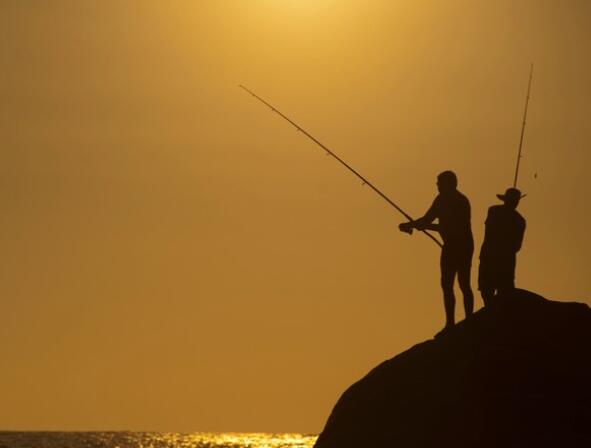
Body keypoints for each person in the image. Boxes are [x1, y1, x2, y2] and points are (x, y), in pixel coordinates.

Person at [399, 171, 474, 332]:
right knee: (447, 284)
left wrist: (416, 225)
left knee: (463, 283)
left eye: (439, 183)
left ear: (449, 184)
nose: (437, 185)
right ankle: (450, 323)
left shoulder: (460, 202)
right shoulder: (441, 200)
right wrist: (411, 224)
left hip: (462, 245)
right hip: (451, 245)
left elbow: (450, 227)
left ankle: (469, 320)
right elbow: (428, 219)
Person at [478, 187, 526, 306]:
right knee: (492, 291)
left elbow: (489, 232)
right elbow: (517, 246)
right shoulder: (519, 220)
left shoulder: (494, 211)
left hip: (493, 258)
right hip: (501, 260)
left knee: (490, 291)